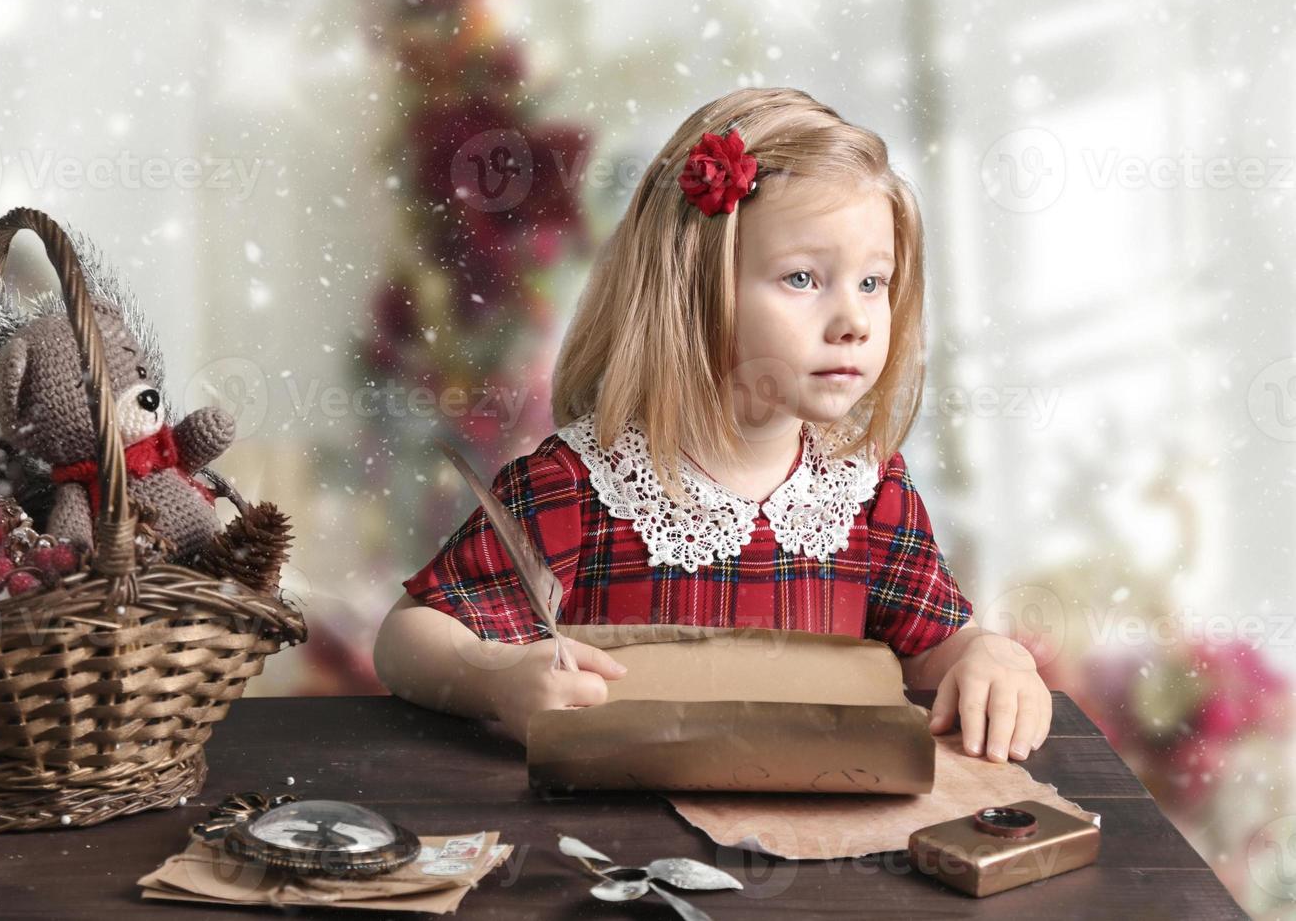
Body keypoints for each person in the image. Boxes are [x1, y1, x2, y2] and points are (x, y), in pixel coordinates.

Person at [373, 86, 1051, 764]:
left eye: (873, 283)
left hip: (823, 840)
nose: (855, 321)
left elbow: (935, 649)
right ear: (693, 286)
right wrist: (497, 681)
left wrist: (990, 656)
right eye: (803, 278)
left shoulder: (867, 496)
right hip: (618, 848)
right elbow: (408, 638)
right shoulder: (578, 488)